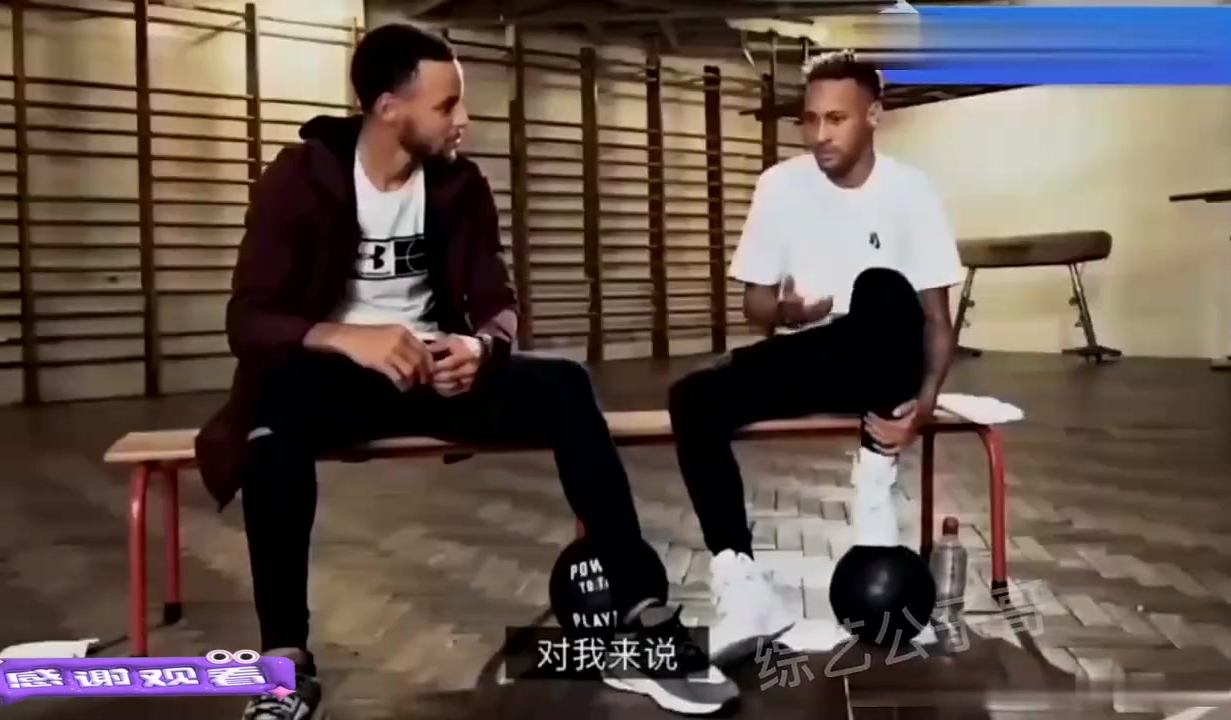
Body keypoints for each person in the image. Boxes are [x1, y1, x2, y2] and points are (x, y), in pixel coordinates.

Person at [194, 23, 738, 720]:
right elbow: (248, 320)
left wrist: (480, 347)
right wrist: (347, 338)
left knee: (567, 387)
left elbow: (498, 303)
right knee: (270, 409)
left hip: (440, 373)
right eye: (447, 104)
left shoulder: (459, 184)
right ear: (389, 107)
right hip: (337, 380)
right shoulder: (300, 179)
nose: (464, 120)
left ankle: (641, 617)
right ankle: (286, 668)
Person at [667, 50, 964, 665]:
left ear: (873, 115)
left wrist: (924, 405)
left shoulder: (910, 190)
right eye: (810, 120)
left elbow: (937, 319)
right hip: (815, 351)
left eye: (837, 119)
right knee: (691, 397)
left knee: (880, 289)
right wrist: (789, 312)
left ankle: (876, 479)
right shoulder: (779, 185)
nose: (820, 134)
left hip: (884, 357)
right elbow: (754, 303)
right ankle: (741, 583)